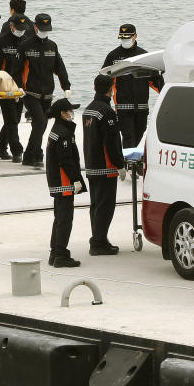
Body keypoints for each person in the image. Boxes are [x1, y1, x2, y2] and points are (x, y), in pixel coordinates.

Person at [18, 13, 71, 168]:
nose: (44, 31)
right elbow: (16, 69)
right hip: (30, 93)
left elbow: (60, 68)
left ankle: (29, 156)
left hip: (47, 93)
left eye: (47, 29)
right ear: (35, 27)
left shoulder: (52, 46)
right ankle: (37, 153)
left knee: (40, 125)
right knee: (40, 122)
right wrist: (19, 86)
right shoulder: (25, 45)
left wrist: (66, 86)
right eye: (41, 28)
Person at [83, 74, 127, 256]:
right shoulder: (107, 112)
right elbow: (112, 141)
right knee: (105, 206)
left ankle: (98, 238)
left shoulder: (88, 109)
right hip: (106, 166)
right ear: (111, 89)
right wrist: (120, 164)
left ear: (94, 88)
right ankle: (98, 243)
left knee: (95, 205)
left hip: (91, 164)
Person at [102, 24, 163, 148]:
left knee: (139, 133)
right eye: (122, 38)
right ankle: (128, 163)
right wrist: (103, 101)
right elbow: (104, 79)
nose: (125, 40)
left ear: (135, 36)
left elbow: (155, 79)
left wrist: (165, 94)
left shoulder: (144, 56)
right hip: (123, 106)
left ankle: (128, 160)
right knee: (128, 136)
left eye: (127, 38)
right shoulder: (113, 56)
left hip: (142, 106)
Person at [46, 97, 86, 267]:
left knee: (59, 218)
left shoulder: (57, 129)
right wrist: (76, 179)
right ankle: (61, 255)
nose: (71, 114)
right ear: (62, 114)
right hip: (64, 182)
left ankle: (55, 252)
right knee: (65, 219)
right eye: (69, 111)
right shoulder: (63, 133)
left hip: (56, 181)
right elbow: (66, 160)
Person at [0, 13, 31, 162]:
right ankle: (17, 150)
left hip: (21, 86)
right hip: (5, 85)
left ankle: (0, 147)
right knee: (11, 119)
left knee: (14, 118)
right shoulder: (1, 41)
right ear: (11, 27)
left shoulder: (27, 41)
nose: (21, 30)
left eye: (23, 28)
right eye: (18, 28)